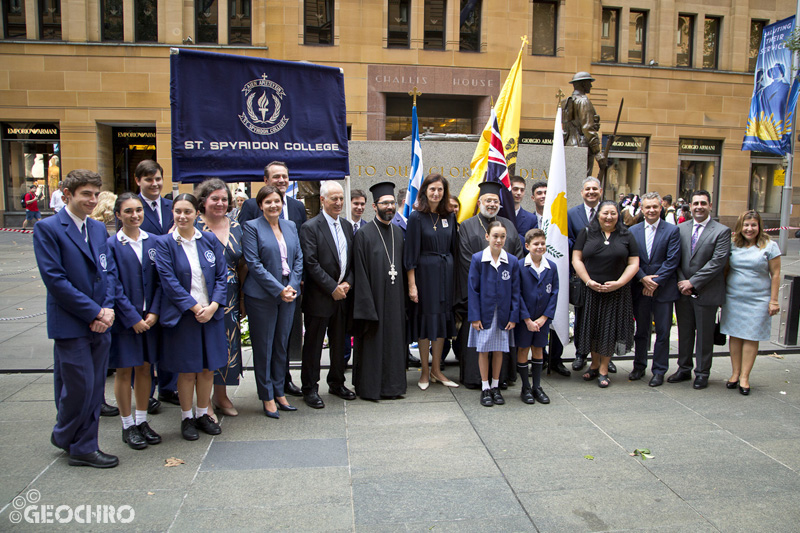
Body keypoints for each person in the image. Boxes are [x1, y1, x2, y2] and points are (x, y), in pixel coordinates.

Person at [34, 169, 118, 468]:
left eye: (96, 194)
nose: (92, 200)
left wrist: (106, 311)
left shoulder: (97, 229)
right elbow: (55, 280)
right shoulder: (48, 229)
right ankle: (69, 437)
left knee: (95, 387)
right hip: (71, 323)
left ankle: (81, 443)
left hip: (100, 322)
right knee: (77, 387)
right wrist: (93, 312)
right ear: (67, 194)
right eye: (86, 194)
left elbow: (107, 273)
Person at [154, 193, 226, 440]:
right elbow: (169, 282)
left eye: (187, 211)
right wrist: (196, 309)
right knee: (187, 371)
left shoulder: (209, 240)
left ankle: (202, 413)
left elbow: (221, 276)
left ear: (197, 213)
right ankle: (186, 418)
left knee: (207, 369)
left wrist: (214, 306)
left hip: (211, 314)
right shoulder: (165, 244)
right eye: (177, 211)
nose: (182, 216)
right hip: (185, 317)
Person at [239, 161, 307, 397]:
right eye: (276, 176)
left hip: (289, 291)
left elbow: (299, 254)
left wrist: (293, 284)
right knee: (265, 346)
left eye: (285, 176)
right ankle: (267, 395)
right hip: (263, 292)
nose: (281, 180)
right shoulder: (250, 216)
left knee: (283, 344)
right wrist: (279, 288)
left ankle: (281, 389)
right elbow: (252, 260)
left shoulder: (296, 210)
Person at [106, 193, 162, 450]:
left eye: (138, 210)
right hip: (125, 321)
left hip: (150, 318)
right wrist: (131, 318)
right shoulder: (111, 245)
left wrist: (154, 312)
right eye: (128, 211)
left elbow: (162, 279)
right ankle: (127, 424)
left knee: (145, 368)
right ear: (119, 215)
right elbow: (112, 284)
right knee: (124, 370)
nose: (135, 215)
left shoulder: (154, 242)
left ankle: (142, 420)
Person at [457, 181, 524, 389]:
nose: (492, 204)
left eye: (495, 201)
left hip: (504, 296)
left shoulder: (508, 225)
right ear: (479, 202)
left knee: (501, 342)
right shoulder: (467, 225)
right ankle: (478, 380)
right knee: (481, 344)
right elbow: (467, 260)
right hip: (479, 297)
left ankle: (499, 379)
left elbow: (517, 255)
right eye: (488, 200)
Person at [299, 181, 355, 409]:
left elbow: (352, 261)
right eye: (334, 198)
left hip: (343, 297)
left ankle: (337, 382)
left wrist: (348, 283)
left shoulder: (347, 226)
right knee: (313, 345)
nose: (339, 203)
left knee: (340, 342)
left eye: (341, 198)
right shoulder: (310, 227)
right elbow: (311, 264)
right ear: (322, 200)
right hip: (320, 297)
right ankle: (310, 388)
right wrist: (332, 288)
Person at [572, 200, 639, 388]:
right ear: (598, 214)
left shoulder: (626, 235)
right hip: (591, 290)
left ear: (618, 215)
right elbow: (576, 258)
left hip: (616, 292)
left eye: (613, 213)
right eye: (605, 213)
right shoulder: (586, 233)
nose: (609, 217)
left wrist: (619, 283)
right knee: (592, 328)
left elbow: (634, 263)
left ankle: (603, 369)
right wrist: (587, 281)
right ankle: (593, 365)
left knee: (608, 330)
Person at [194, 178, 246, 417]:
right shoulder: (192, 226)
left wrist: (243, 298)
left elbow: (243, 264)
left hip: (231, 296)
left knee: (228, 345)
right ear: (203, 201)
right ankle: (202, 403)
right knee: (204, 347)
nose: (220, 203)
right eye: (215, 199)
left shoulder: (236, 226)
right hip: (202, 296)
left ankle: (221, 396)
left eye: (224, 199)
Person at [669, 191, 731, 390]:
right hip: (682, 290)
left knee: (704, 335)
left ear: (710, 205)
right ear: (690, 205)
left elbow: (718, 262)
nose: (699, 207)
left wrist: (693, 282)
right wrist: (682, 282)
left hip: (707, 291)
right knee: (684, 332)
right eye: (695, 203)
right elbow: (675, 258)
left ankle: (703, 372)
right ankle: (684, 369)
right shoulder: (679, 229)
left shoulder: (721, 231)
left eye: (703, 203)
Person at [352, 182, 408, 400]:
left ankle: (393, 387)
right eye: (385, 203)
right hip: (373, 301)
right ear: (374, 207)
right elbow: (360, 273)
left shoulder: (398, 233)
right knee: (374, 344)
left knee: (394, 342)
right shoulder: (364, 235)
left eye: (392, 203)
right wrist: (367, 307)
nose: (390, 207)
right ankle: (371, 388)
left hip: (395, 301)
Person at [405, 173, 459, 389]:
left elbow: (454, 248)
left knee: (441, 324)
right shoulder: (417, 217)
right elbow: (410, 254)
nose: (436, 193)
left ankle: (437, 370)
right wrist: (412, 285)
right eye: (432, 189)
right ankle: (425, 372)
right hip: (425, 278)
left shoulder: (450, 215)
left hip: (446, 276)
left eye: (440, 189)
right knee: (426, 323)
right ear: (425, 191)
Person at [720, 211, 781, 395]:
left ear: (759, 226)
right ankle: (735, 373)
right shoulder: (733, 245)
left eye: (753, 225)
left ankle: (745, 377)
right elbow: (726, 270)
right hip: (734, 297)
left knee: (751, 336)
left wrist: (774, 301)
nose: (749, 229)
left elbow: (776, 274)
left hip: (758, 299)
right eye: (746, 225)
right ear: (740, 226)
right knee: (735, 335)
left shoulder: (770, 246)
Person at [134, 160, 178, 411]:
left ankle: (168, 387)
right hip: (145, 282)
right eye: (149, 179)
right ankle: (145, 393)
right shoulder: (132, 207)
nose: (155, 184)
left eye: (158, 178)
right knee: (146, 341)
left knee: (169, 336)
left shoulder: (172, 206)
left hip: (171, 281)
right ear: (138, 181)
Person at [629, 193, 681, 387]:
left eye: (655, 207)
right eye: (647, 207)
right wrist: (643, 278)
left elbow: (672, 260)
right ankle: (639, 366)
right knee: (641, 331)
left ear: (662, 208)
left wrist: (655, 282)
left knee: (663, 332)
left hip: (664, 290)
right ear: (642, 209)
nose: (651, 210)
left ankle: (659, 370)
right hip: (640, 288)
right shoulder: (632, 231)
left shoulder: (672, 231)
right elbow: (631, 258)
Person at [566, 177, 615, 373]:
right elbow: (568, 240)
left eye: (595, 189)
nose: (591, 192)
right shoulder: (572, 214)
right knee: (582, 317)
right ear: (582, 192)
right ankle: (580, 353)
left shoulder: (610, 213)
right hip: (583, 274)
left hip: (607, 274)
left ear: (601, 191)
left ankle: (605, 357)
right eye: (588, 189)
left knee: (605, 319)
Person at [468, 221, 520, 406]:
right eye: (495, 236)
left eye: (502, 236)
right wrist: (475, 317)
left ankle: (496, 385)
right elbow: (473, 290)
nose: (499, 240)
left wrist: (514, 316)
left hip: (503, 314)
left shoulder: (512, 261)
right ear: (487, 236)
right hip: (484, 313)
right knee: (483, 349)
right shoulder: (478, 259)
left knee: (499, 349)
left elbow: (515, 291)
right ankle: (485, 387)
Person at [515, 229, 558, 404]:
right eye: (536, 244)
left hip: (542, 320)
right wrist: (527, 319)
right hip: (525, 320)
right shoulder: (519, 266)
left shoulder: (551, 267)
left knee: (539, 350)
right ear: (527, 246)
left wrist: (544, 318)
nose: (540, 247)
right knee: (523, 350)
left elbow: (554, 293)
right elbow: (516, 293)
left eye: (542, 243)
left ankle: (537, 386)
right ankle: (525, 387)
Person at [562, 71, 606, 176]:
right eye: (588, 82)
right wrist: (597, 153)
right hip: (582, 146)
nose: (590, 85)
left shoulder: (566, 102)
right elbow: (587, 128)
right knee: (582, 181)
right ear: (583, 84)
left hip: (568, 145)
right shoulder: (583, 101)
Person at [511, 176, 536, 250]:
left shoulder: (531, 218)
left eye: (522, 190)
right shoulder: (499, 215)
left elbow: (532, 245)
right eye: (515, 189)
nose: (519, 193)